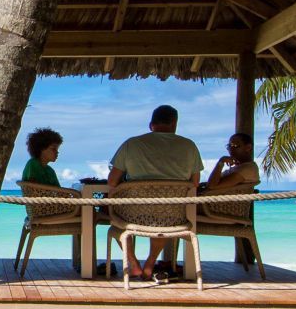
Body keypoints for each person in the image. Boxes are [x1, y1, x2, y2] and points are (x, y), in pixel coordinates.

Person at [106, 105, 203, 282]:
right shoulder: (189, 146)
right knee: (161, 220)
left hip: (133, 214)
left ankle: (134, 265)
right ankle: (150, 264)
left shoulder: (132, 144)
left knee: (115, 220)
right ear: (175, 123)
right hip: (172, 214)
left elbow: (112, 181)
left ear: (151, 124)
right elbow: (194, 183)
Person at [202, 133, 262, 264]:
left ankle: (168, 265)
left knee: (174, 214)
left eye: (235, 146)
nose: (231, 149)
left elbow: (212, 185)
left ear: (248, 147)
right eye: (229, 146)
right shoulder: (237, 168)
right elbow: (210, 184)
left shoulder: (248, 168)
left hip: (219, 211)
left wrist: (220, 163)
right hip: (211, 206)